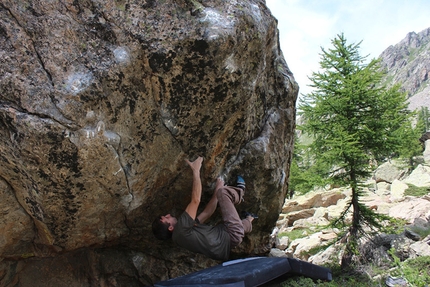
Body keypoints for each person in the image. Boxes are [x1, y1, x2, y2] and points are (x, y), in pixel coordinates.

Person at [152, 156, 256, 261]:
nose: (168, 215)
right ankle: (240, 192)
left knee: (231, 222)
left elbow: (207, 213)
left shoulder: (183, 236)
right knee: (223, 193)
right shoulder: (180, 229)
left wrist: (216, 191)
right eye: (166, 217)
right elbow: (195, 200)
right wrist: (196, 170)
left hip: (226, 243)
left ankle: (250, 219)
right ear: (170, 228)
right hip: (231, 235)